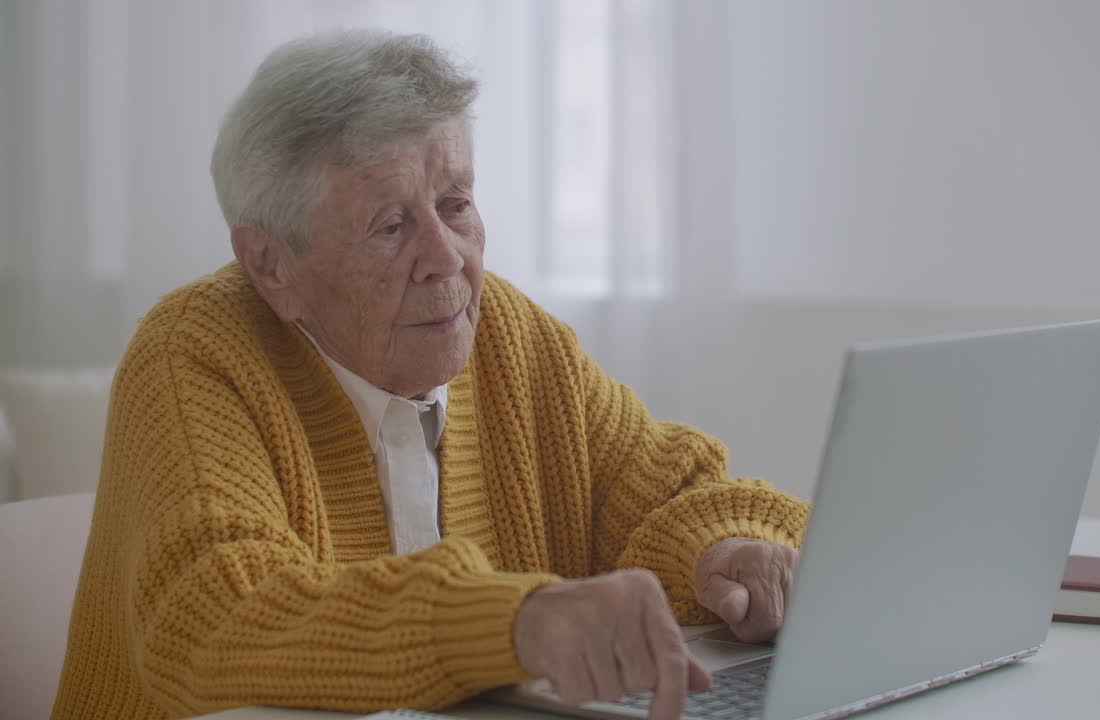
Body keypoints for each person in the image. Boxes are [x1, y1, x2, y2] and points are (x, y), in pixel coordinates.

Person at [52, 30, 808, 720]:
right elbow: (218, 615)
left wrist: (728, 550)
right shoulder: (195, 353)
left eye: (456, 204)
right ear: (270, 264)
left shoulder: (511, 336)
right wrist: (517, 621)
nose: (447, 257)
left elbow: (672, 491)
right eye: (391, 226)